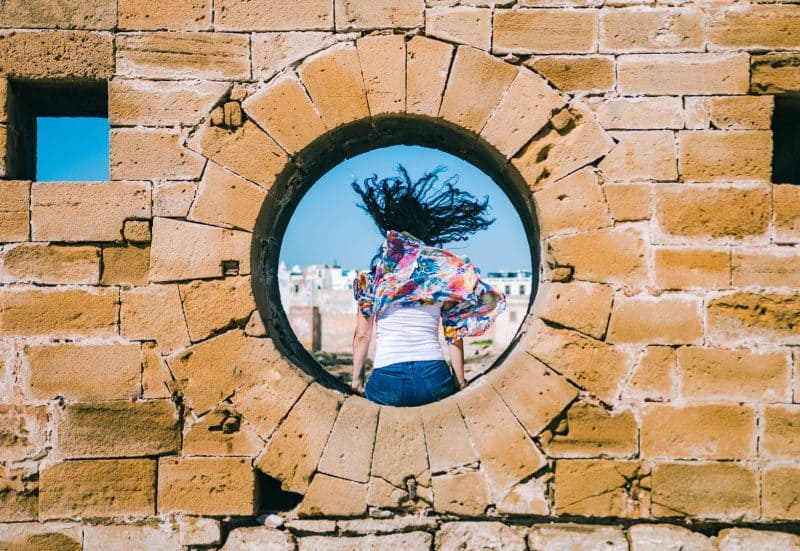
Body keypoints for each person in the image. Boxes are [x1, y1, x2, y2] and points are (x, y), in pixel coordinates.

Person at [349, 165, 506, 407]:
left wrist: (356, 382)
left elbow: (362, 336)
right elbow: (453, 332)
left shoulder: (374, 280)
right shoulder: (441, 276)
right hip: (433, 376)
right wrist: (459, 381)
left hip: (386, 379)